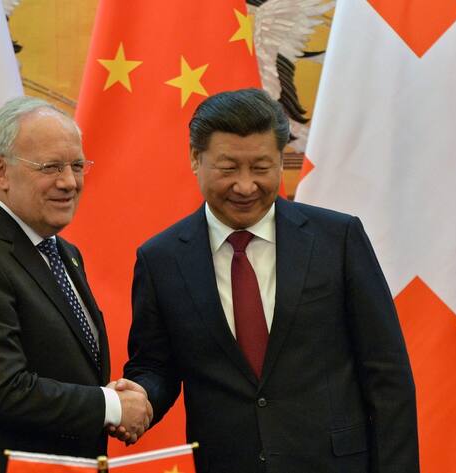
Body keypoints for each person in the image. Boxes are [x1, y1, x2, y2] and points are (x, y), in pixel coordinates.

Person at [121, 88, 419, 472]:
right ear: (196, 159)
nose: (246, 186)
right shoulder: (161, 259)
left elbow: (387, 376)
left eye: (261, 168)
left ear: (281, 160)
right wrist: (140, 396)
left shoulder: (337, 239)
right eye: (228, 168)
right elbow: (156, 365)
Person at [0, 96, 152, 473]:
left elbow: (64, 367)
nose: (69, 182)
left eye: (77, 166)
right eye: (51, 167)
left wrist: (112, 399)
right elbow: (0, 391)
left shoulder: (62, 252)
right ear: (1, 171)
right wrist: (108, 405)